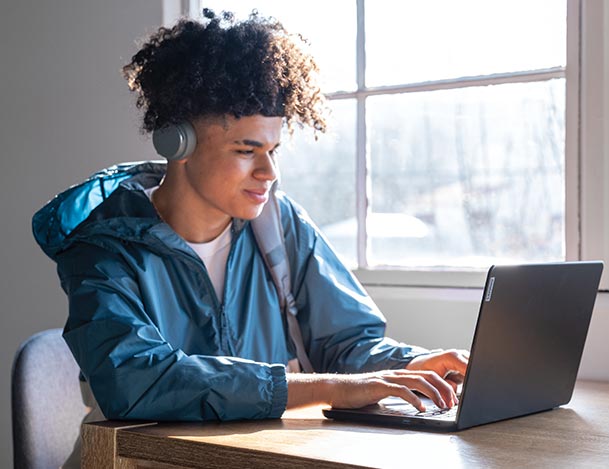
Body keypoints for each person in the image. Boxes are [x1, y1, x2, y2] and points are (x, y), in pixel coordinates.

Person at [32, 10, 468, 467]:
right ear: (176, 142)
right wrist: (331, 387)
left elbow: (347, 343)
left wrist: (410, 365)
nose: (269, 173)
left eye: (273, 150)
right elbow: (138, 381)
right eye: (246, 151)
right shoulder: (103, 249)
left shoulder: (279, 224)